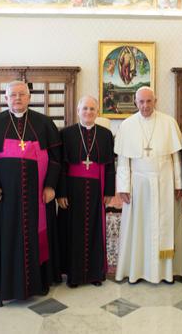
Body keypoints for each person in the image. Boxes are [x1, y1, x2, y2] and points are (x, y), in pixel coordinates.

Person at [0, 80, 62, 301]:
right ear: (6, 98)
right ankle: (3, 284)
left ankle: (38, 283)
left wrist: (51, 185)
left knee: (36, 235)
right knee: (7, 238)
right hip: (5, 196)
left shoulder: (44, 123)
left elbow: (55, 159)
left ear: (29, 97)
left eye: (22, 94)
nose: (17, 98)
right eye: (13, 95)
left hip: (37, 197)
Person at [114, 87, 182, 284]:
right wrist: (123, 187)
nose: (145, 106)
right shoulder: (127, 125)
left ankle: (165, 272)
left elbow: (176, 157)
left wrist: (178, 183)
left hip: (165, 183)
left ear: (156, 100)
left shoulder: (168, 122)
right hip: (138, 186)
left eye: (149, 101)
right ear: (136, 102)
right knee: (138, 228)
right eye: (141, 102)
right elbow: (123, 160)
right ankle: (136, 271)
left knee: (165, 226)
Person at [57, 96, 115, 287]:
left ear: (97, 112)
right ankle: (74, 275)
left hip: (97, 188)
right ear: (78, 110)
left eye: (92, 109)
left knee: (95, 230)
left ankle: (95, 274)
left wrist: (108, 191)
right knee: (73, 231)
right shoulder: (66, 133)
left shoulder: (106, 135)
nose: (88, 112)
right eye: (85, 108)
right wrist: (62, 193)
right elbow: (62, 166)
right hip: (73, 189)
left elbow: (109, 166)